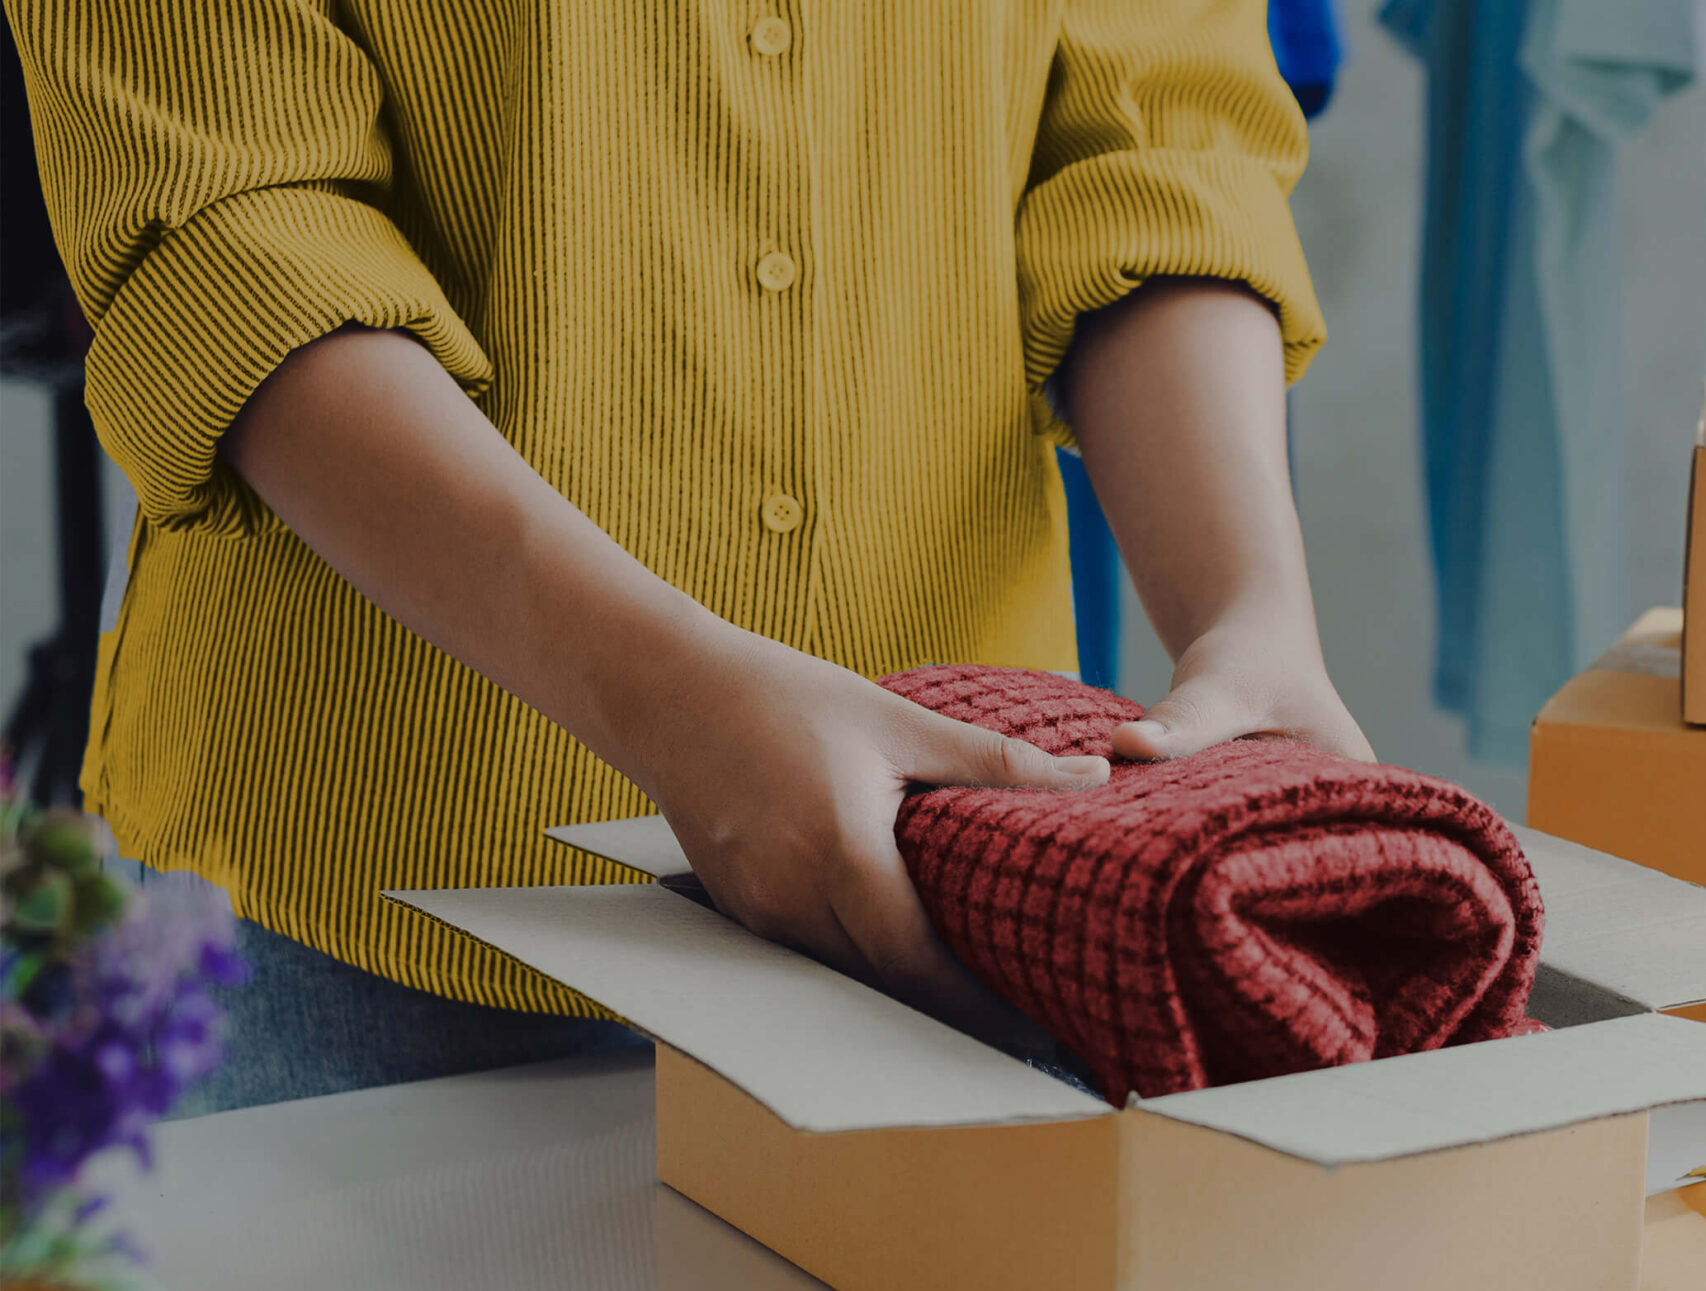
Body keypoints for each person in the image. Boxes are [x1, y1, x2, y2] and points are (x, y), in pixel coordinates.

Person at [7, 1, 1370, 1109]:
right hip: (363, 920)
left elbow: (1151, 144)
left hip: (953, 884)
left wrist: (1247, 610)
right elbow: (234, 228)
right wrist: (668, 699)